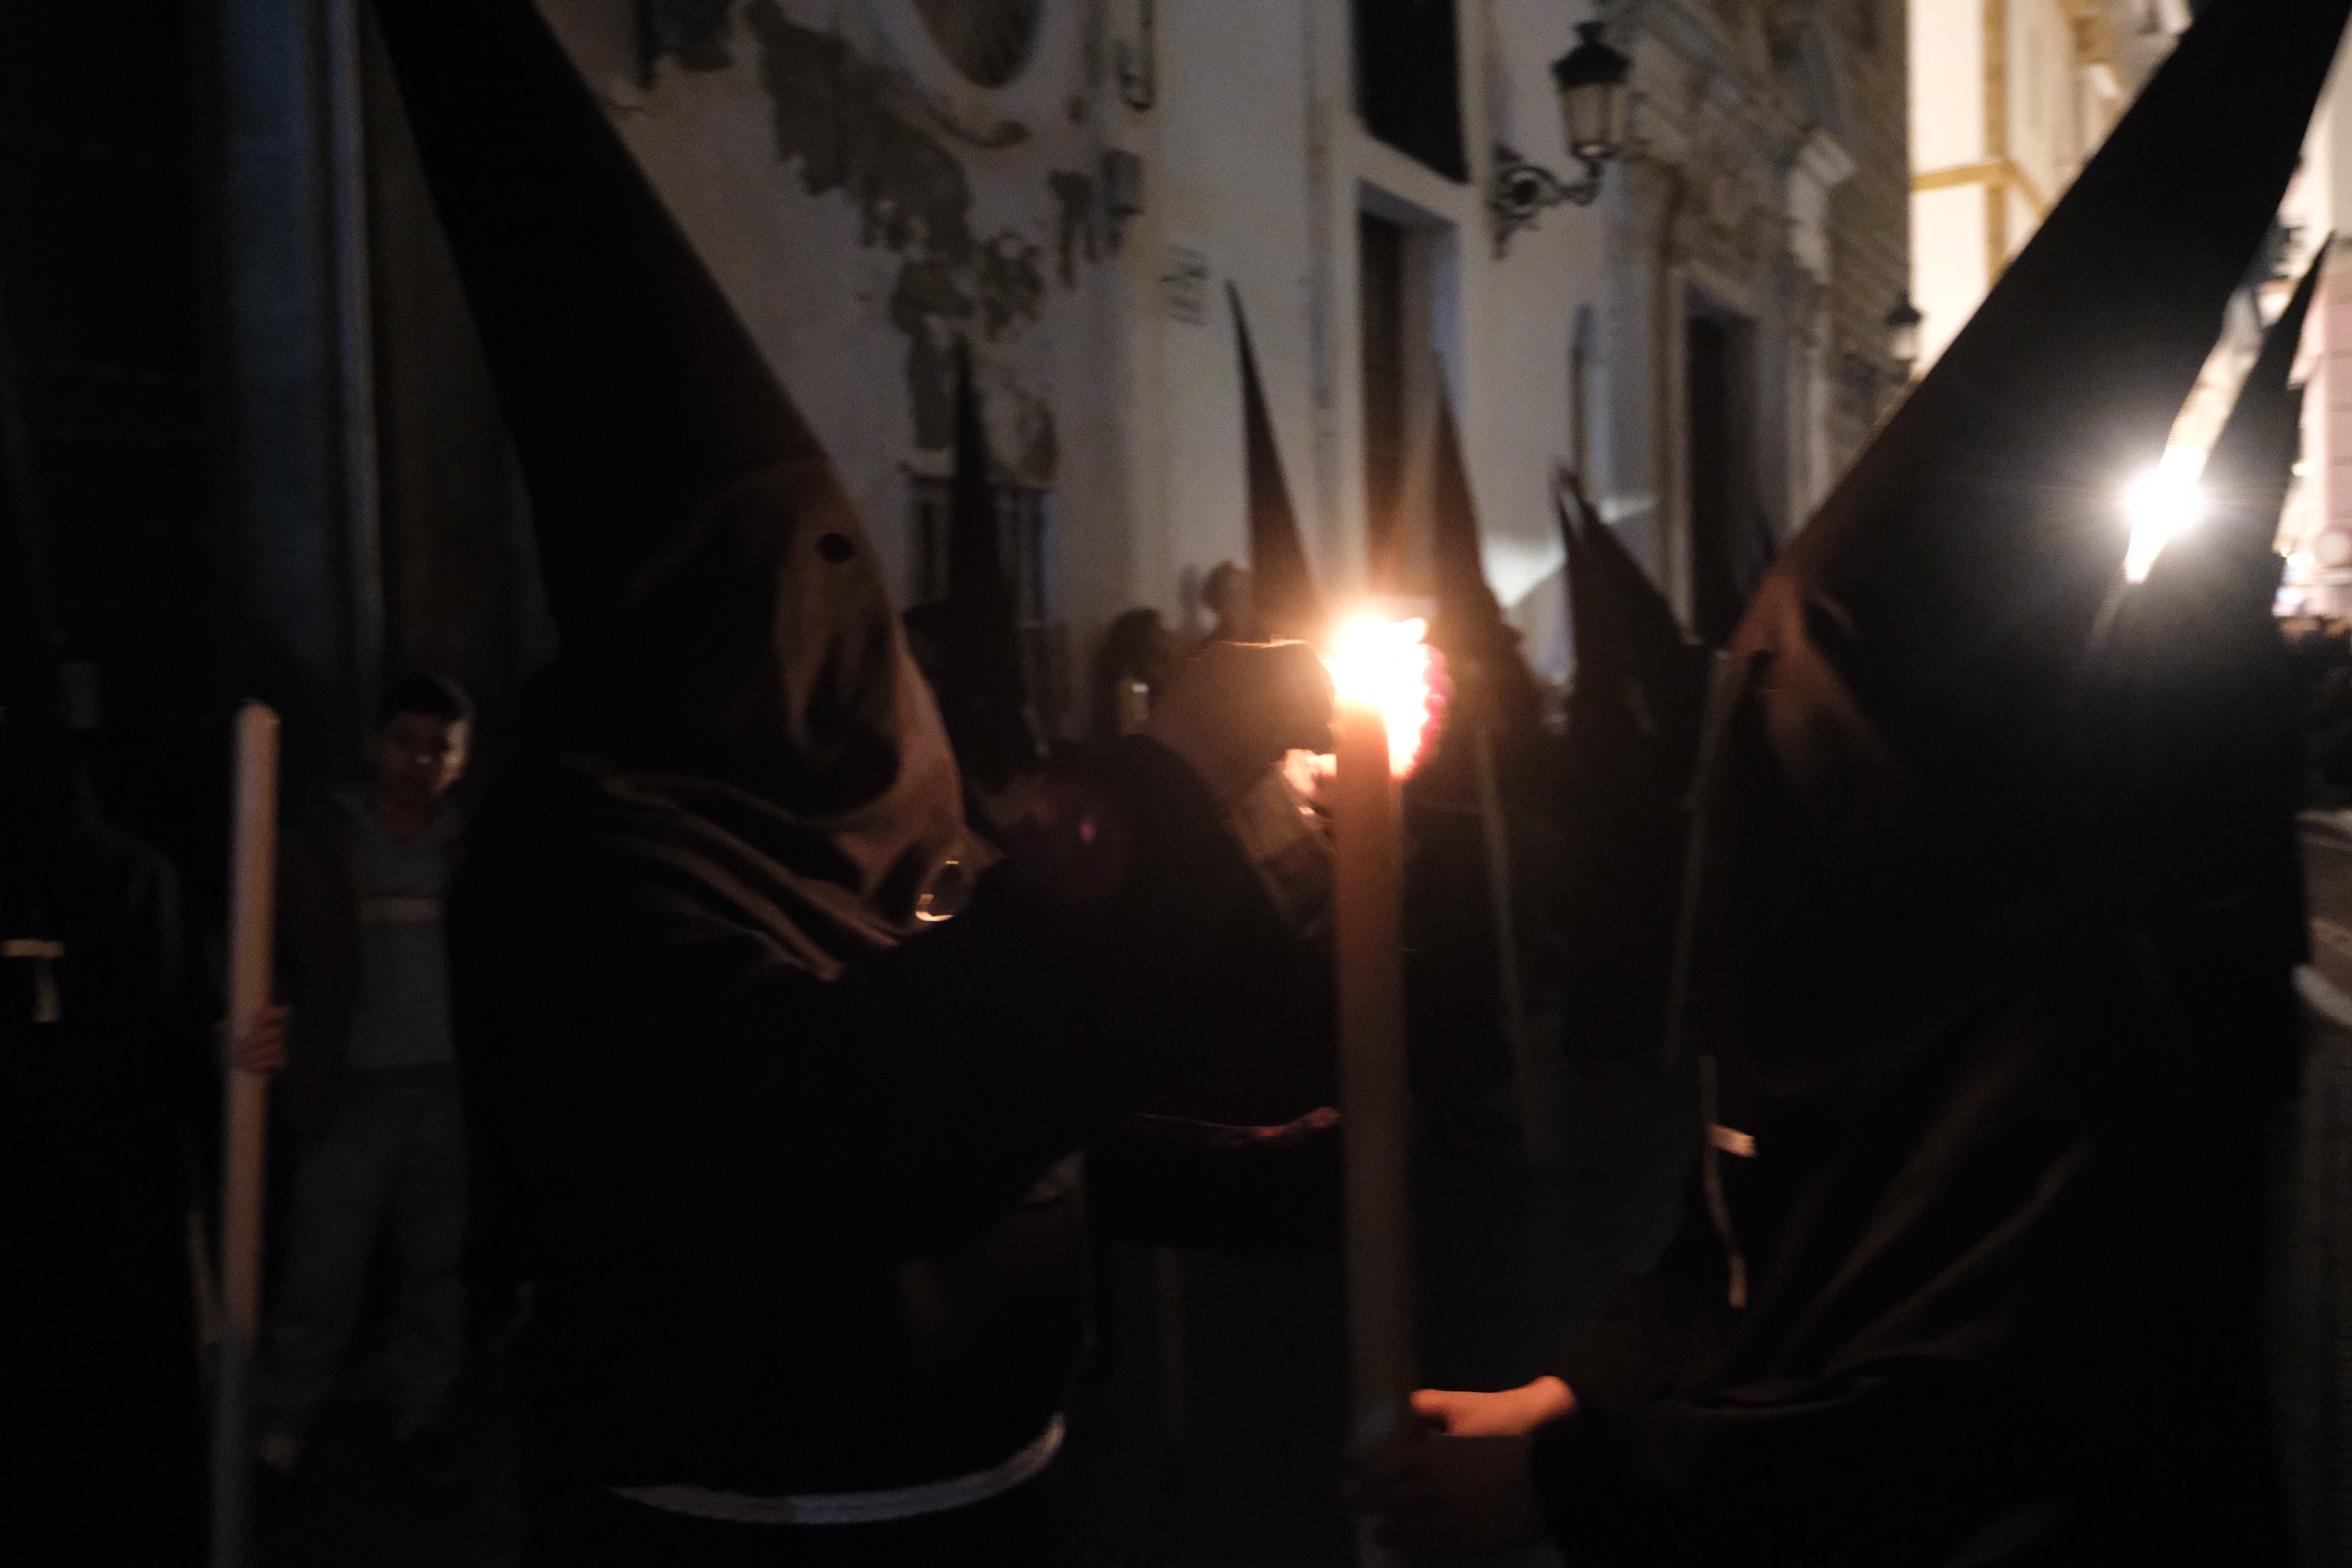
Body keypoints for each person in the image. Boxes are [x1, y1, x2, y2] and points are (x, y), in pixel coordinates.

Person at [374, 2, 1343, 1560]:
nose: (842, 631)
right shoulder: (585, 870)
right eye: (789, 587)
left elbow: (1009, 1106)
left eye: (848, 573)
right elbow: (851, 1127)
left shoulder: (876, 824)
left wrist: (1247, 1161)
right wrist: (1176, 776)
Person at [253, 673, 474, 1487]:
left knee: (438, 1274)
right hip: (350, 1092)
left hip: (448, 1092)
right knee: (321, 1275)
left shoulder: (470, 850)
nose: (420, 762)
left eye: (440, 748)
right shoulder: (320, 843)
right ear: (373, 744)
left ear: (461, 760)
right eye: (405, 741)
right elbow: (263, 944)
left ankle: (420, 1417)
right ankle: (280, 1431)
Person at [1199, 561, 1259, 645]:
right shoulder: (1213, 647)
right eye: (1237, 596)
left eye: (1249, 592)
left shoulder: (1271, 636)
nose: (1248, 599)